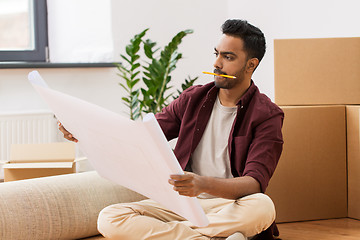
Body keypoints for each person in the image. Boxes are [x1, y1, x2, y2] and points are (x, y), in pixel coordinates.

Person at [59, 19, 284, 240]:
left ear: (251, 65)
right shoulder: (193, 98)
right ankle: (211, 237)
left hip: (231, 206)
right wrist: (84, 132)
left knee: (263, 207)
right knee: (110, 217)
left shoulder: (267, 115)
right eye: (216, 53)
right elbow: (139, 136)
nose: (217, 63)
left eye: (228, 57)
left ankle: (190, 234)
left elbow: (254, 183)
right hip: (183, 205)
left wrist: (202, 184)